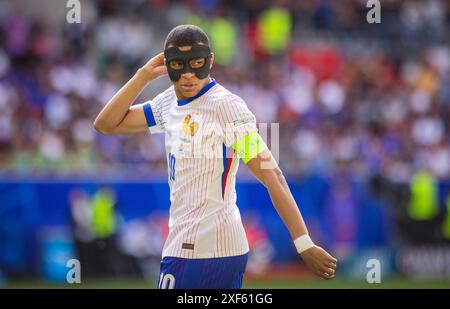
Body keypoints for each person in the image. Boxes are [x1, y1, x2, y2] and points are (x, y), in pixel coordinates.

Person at [94, 24, 337, 289]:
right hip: (194, 243)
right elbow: (106, 124)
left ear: (210, 61)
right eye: (178, 64)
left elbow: (272, 174)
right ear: (167, 64)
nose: (188, 74)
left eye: (196, 63)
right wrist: (142, 76)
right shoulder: (168, 102)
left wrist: (304, 243)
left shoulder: (226, 107)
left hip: (204, 248)